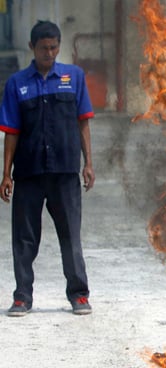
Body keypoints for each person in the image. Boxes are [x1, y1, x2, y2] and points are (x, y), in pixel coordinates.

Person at [0, 20, 95, 317]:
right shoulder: (17, 83)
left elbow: (83, 122)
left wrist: (89, 163)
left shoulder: (73, 77)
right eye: (44, 48)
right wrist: (5, 173)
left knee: (70, 236)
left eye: (54, 47)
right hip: (28, 173)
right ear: (32, 47)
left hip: (65, 171)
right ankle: (22, 297)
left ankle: (79, 295)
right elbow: (11, 131)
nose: (50, 53)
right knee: (25, 239)